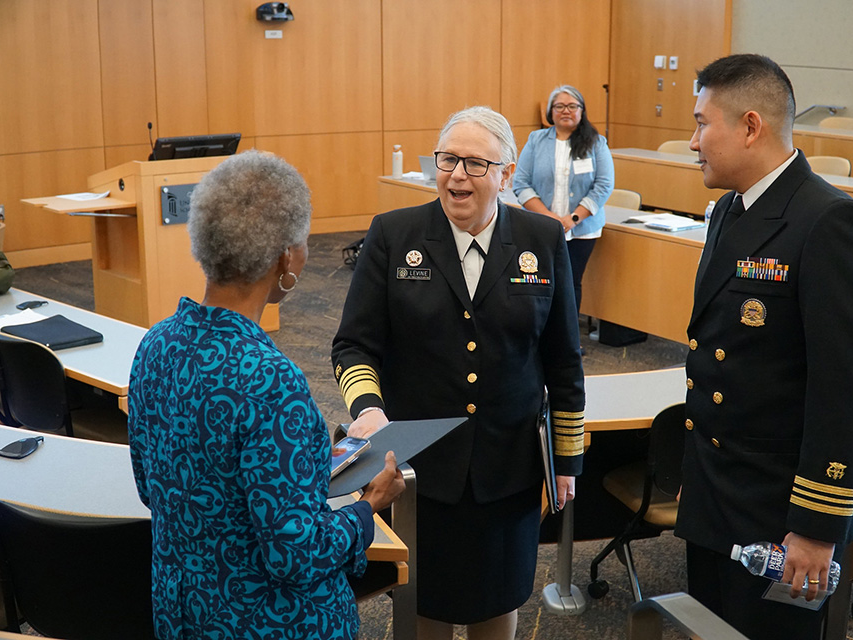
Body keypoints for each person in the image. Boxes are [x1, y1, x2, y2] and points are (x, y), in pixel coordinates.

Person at [127, 150, 405, 640]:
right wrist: (369, 506)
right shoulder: (272, 382)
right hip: (268, 622)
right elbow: (297, 555)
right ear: (284, 257)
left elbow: (152, 489)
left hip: (183, 609)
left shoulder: (156, 344)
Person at [331, 106, 585, 640]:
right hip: (421, 464)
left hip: (510, 460)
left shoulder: (542, 239)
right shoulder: (394, 234)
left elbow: (564, 360)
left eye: (474, 163)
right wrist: (369, 409)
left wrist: (567, 460)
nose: (456, 175)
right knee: (426, 598)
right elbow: (355, 345)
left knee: (501, 594)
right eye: (447, 160)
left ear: (506, 174)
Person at [676, 54, 853, 638]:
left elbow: (847, 391)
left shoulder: (829, 223)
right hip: (717, 493)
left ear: (750, 126)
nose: (692, 141)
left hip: (780, 513)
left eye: (701, 124)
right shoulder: (727, 210)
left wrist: (818, 526)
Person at [513, 84, 614, 316]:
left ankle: (569, 342)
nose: (565, 111)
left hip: (582, 228)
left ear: (581, 111)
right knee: (539, 281)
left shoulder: (596, 143)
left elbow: (604, 184)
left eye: (572, 106)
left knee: (570, 282)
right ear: (550, 112)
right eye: (559, 106)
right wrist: (550, 219)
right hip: (540, 226)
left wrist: (573, 218)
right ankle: (540, 336)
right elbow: (521, 183)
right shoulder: (537, 139)